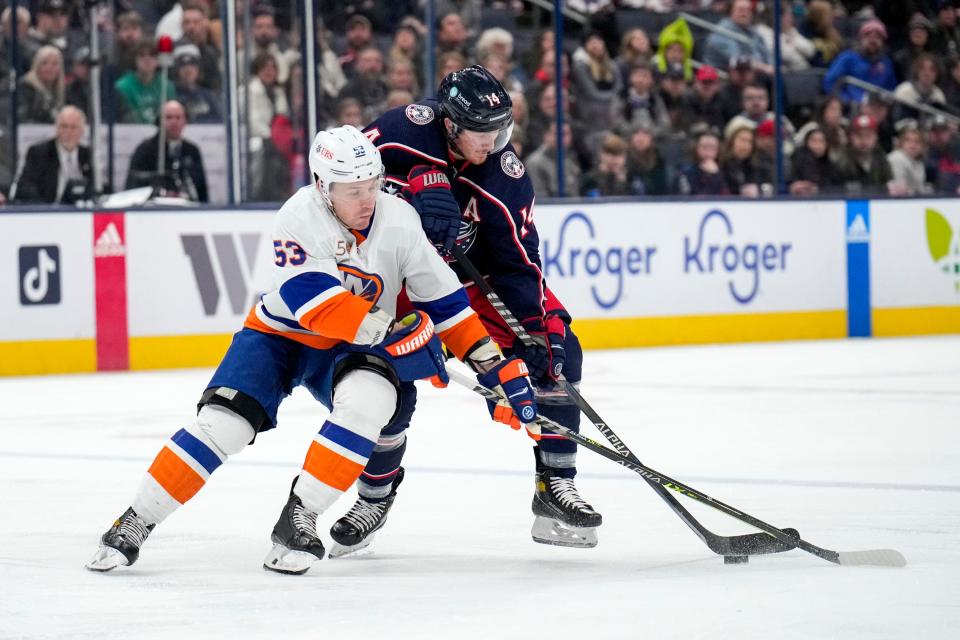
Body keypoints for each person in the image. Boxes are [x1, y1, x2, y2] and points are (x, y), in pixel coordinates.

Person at [86, 125, 539, 575]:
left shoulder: (399, 219)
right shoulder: (298, 216)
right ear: (323, 187)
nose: (366, 201)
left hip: (346, 350)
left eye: (372, 186)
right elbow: (314, 304)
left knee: (372, 402)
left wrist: (492, 366)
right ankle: (136, 520)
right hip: (279, 337)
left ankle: (298, 518)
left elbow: (445, 303)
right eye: (352, 191)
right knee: (224, 424)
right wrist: (396, 337)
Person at [332, 65, 605, 552]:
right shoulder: (404, 128)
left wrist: (536, 336)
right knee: (383, 383)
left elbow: (520, 267)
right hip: (394, 283)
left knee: (560, 353)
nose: (494, 140)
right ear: (450, 123)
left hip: (472, 288)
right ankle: (374, 498)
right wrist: (427, 174)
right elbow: (344, 168)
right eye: (482, 131)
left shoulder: (506, 177)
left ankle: (554, 488)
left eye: (501, 127)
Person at [126, 100, 208, 202]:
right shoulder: (145, 149)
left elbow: (202, 189)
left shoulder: (192, 151)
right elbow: (132, 186)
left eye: (178, 117)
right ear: (160, 121)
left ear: (185, 121)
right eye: (169, 117)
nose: (174, 122)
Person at [11, 105, 91, 204]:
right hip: (48, 211)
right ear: (57, 128)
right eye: (64, 126)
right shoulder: (39, 152)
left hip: (81, 212)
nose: (68, 132)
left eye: (73, 127)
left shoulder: (88, 155)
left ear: (82, 131)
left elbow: (97, 188)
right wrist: (46, 210)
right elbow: (25, 188)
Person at [823, 19, 897, 104]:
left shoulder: (886, 63)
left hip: (877, 108)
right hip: (850, 106)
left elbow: (891, 89)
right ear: (861, 39)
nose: (872, 40)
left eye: (877, 37)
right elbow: (829, 82)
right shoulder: (847, 58)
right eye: (868, 36)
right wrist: (845, 101)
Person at [17, 45, 65, 124]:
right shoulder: (25, 87)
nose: (49, 68)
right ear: (37, 65)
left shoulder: (60, 90)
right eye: (44, 63)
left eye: (54, 64)